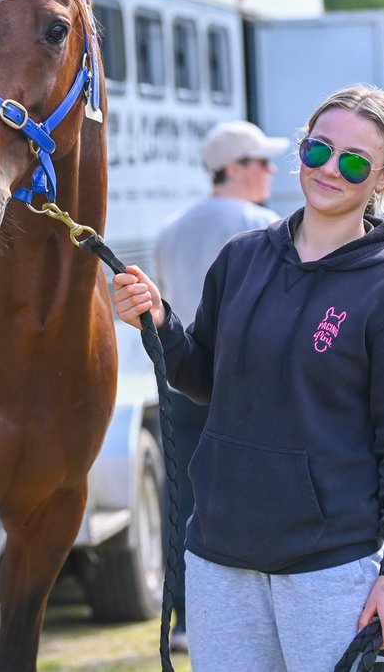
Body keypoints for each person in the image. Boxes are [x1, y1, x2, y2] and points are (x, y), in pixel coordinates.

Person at [114, 85, 384, 672]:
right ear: (301, 152)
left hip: (329, 568)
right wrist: (160, 322)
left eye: (355, 161)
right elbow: (204, 378)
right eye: (319, 150)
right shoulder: (241, 259)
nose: (331, 170)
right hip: (218, 559)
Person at [153, 119, 288, 653]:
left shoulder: (171, 228)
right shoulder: (265, 223)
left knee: (186, 499)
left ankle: (189, 619)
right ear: (234, 168)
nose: (271, 172)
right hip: (245, 386)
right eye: (261, 163)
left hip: (184, 378)